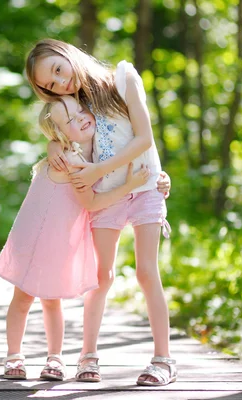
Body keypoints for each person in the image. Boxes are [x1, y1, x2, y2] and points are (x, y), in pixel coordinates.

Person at [24, 38, 177, 386]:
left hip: (146, 188)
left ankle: (163, 359)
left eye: (59, 71)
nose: (61, 83)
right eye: (50, 85)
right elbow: (54, 131)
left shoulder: (122, 78)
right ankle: (87, 356)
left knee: (146, 273)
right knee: (101, 276)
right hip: (106, 196)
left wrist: (98, 169)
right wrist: (53, 147)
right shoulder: (71, 104)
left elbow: (144, 139)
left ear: (68, 54)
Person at [0, 95, 151, 381]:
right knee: (24, 298)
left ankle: (54, 358)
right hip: (32, 239)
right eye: (70, 120)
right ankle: (15, 355)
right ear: (59, 134)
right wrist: (131, 185)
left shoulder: (92, 153)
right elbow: (91, 203)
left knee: (51, 300)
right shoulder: (71, 161)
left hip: (56, 242)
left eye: (80, 110)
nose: (81, 117)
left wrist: (158, 177)